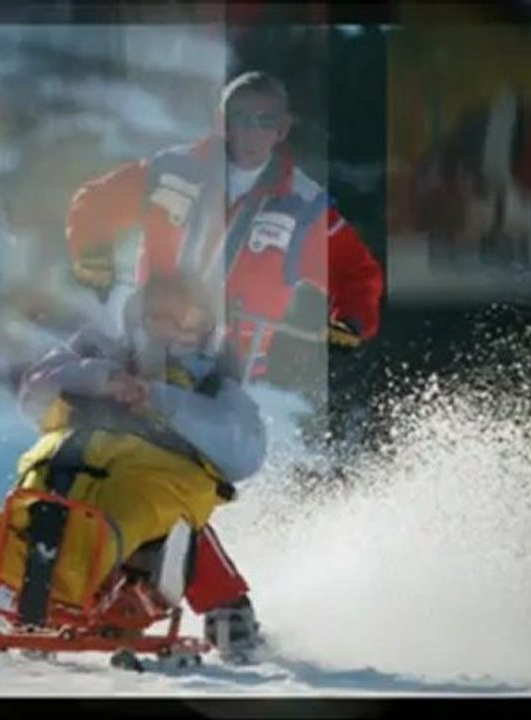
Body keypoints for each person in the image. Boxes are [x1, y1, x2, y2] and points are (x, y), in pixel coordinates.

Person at [62, 71, 384, 662]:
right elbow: (96, 201)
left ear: (283, 128)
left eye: (267, 120)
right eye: (242, 118)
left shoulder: (305, 202)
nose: (253, 132)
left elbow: (356, 269)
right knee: (123, 460)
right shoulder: (170, 169)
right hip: (145, 341)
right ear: (221, 121)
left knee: (171, 469)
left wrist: (354, 317)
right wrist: (89, 249)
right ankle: (148, 595)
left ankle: (178, 599)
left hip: (222, 364)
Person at [0, 272, 267, 627]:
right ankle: (45, 588)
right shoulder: (99, 351)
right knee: (31, 514)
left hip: (150, 487)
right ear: (137, 317)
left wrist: (159, 400)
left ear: (205, 328)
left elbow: (244, 449)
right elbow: (35, 393)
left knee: (173, 521)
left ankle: (226, 615)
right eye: (160, 317)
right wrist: (101, 379)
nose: (171, 329)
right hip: (68, 469)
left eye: (184, 320)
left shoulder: (215, 384)